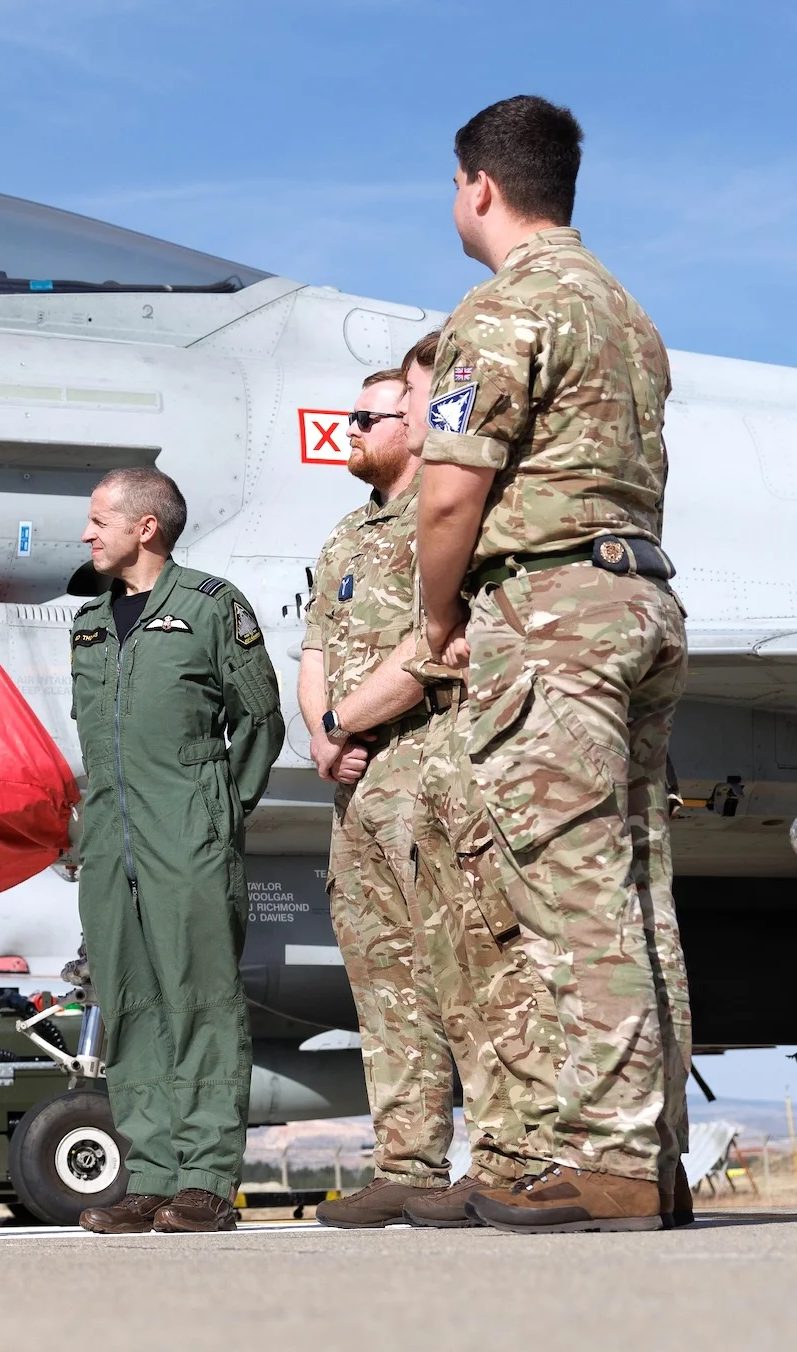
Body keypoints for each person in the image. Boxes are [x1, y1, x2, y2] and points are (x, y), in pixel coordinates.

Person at [416, 95, 689, 1233]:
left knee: (565, 884)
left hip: (553, 612)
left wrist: (434, 621)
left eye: (450, 186)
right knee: (633, 885)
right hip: (637, 595)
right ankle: (646, 1147)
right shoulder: (624, 314)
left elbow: (446, 491)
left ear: (477, 186)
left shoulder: (500, 309)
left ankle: (609, 1156)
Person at [298, 367, 562, 1228]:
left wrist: (342, 722)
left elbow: (437, 645)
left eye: (366, 415)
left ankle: (510, 1156)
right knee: (385, 986)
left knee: (469, 972)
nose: (349, 429)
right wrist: (324, 736)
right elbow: (313, 650)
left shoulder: (443, 522)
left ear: (414, 425)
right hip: (358, 792)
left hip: (430, 767)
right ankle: (406, 1163)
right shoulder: (344, 535)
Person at [67, 470, 283, 1236]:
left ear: (146, 527)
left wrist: (219, 811)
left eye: (99, 520)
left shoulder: (211, 607)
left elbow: (259, 719)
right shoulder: (89, 623)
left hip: (188, 834)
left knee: (202, 1004)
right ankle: (152, 1177)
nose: (88, 534)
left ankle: (207, 1182)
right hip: (108, 840)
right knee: (126, 1006)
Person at [395, 332, 568, 1227]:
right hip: (463, 771)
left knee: (546, 957)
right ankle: (508, 1158)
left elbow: (435, 645)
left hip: (516, 742)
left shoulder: (494, 519)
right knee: (483, 976)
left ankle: (580, 1159)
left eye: (417, 398)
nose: (416, 417)